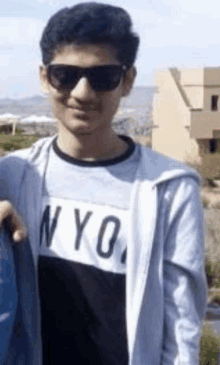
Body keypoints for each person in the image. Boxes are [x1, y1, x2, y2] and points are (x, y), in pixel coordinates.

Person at [0, 2, 207, 364]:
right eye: (65, 74)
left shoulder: (171, 189)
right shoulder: (13, 175)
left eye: (102, 77)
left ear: (127, 81)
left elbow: (181, 327)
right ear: (44, 77)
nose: (82, 92)